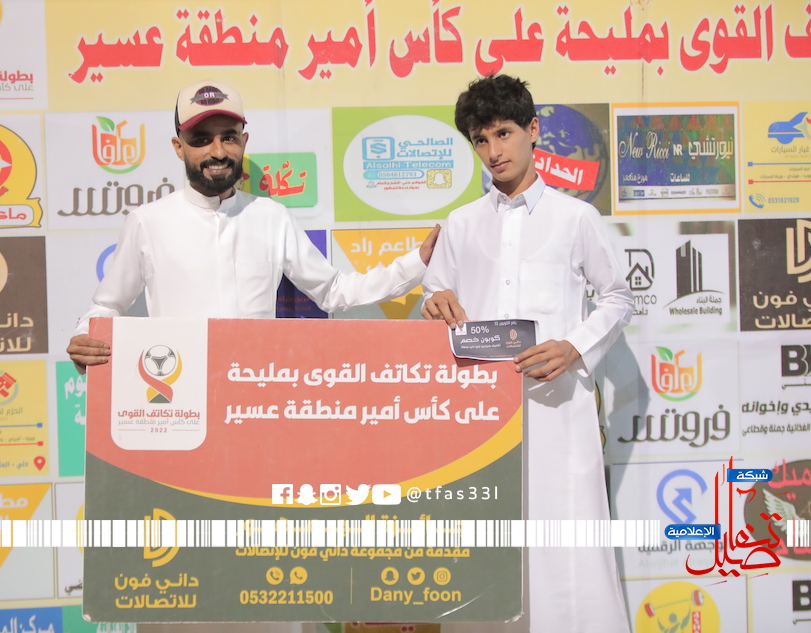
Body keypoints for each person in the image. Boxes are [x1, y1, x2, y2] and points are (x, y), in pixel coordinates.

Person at [422, 75, 633, 633]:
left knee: (567, 545)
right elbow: (436, 296)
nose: (494, 151)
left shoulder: (575, 218)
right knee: (489, 542)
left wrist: (573, 347)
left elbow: (617, 297)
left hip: (556, 409)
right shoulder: (461, 224)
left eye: (504, 133)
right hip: (479, 417)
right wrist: (433, 300)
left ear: (533, 130)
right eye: (480, 139)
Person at [68, 79, 439, 368]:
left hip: (255, 398)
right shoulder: (148, 222)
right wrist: (86, 335)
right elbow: (106, 306)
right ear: (179, 147)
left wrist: (417, 262)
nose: (217, 152)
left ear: (243, 141)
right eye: (201, 140)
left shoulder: (271, 217)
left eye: (228, 138)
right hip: (178, 398)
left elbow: (335, 292)